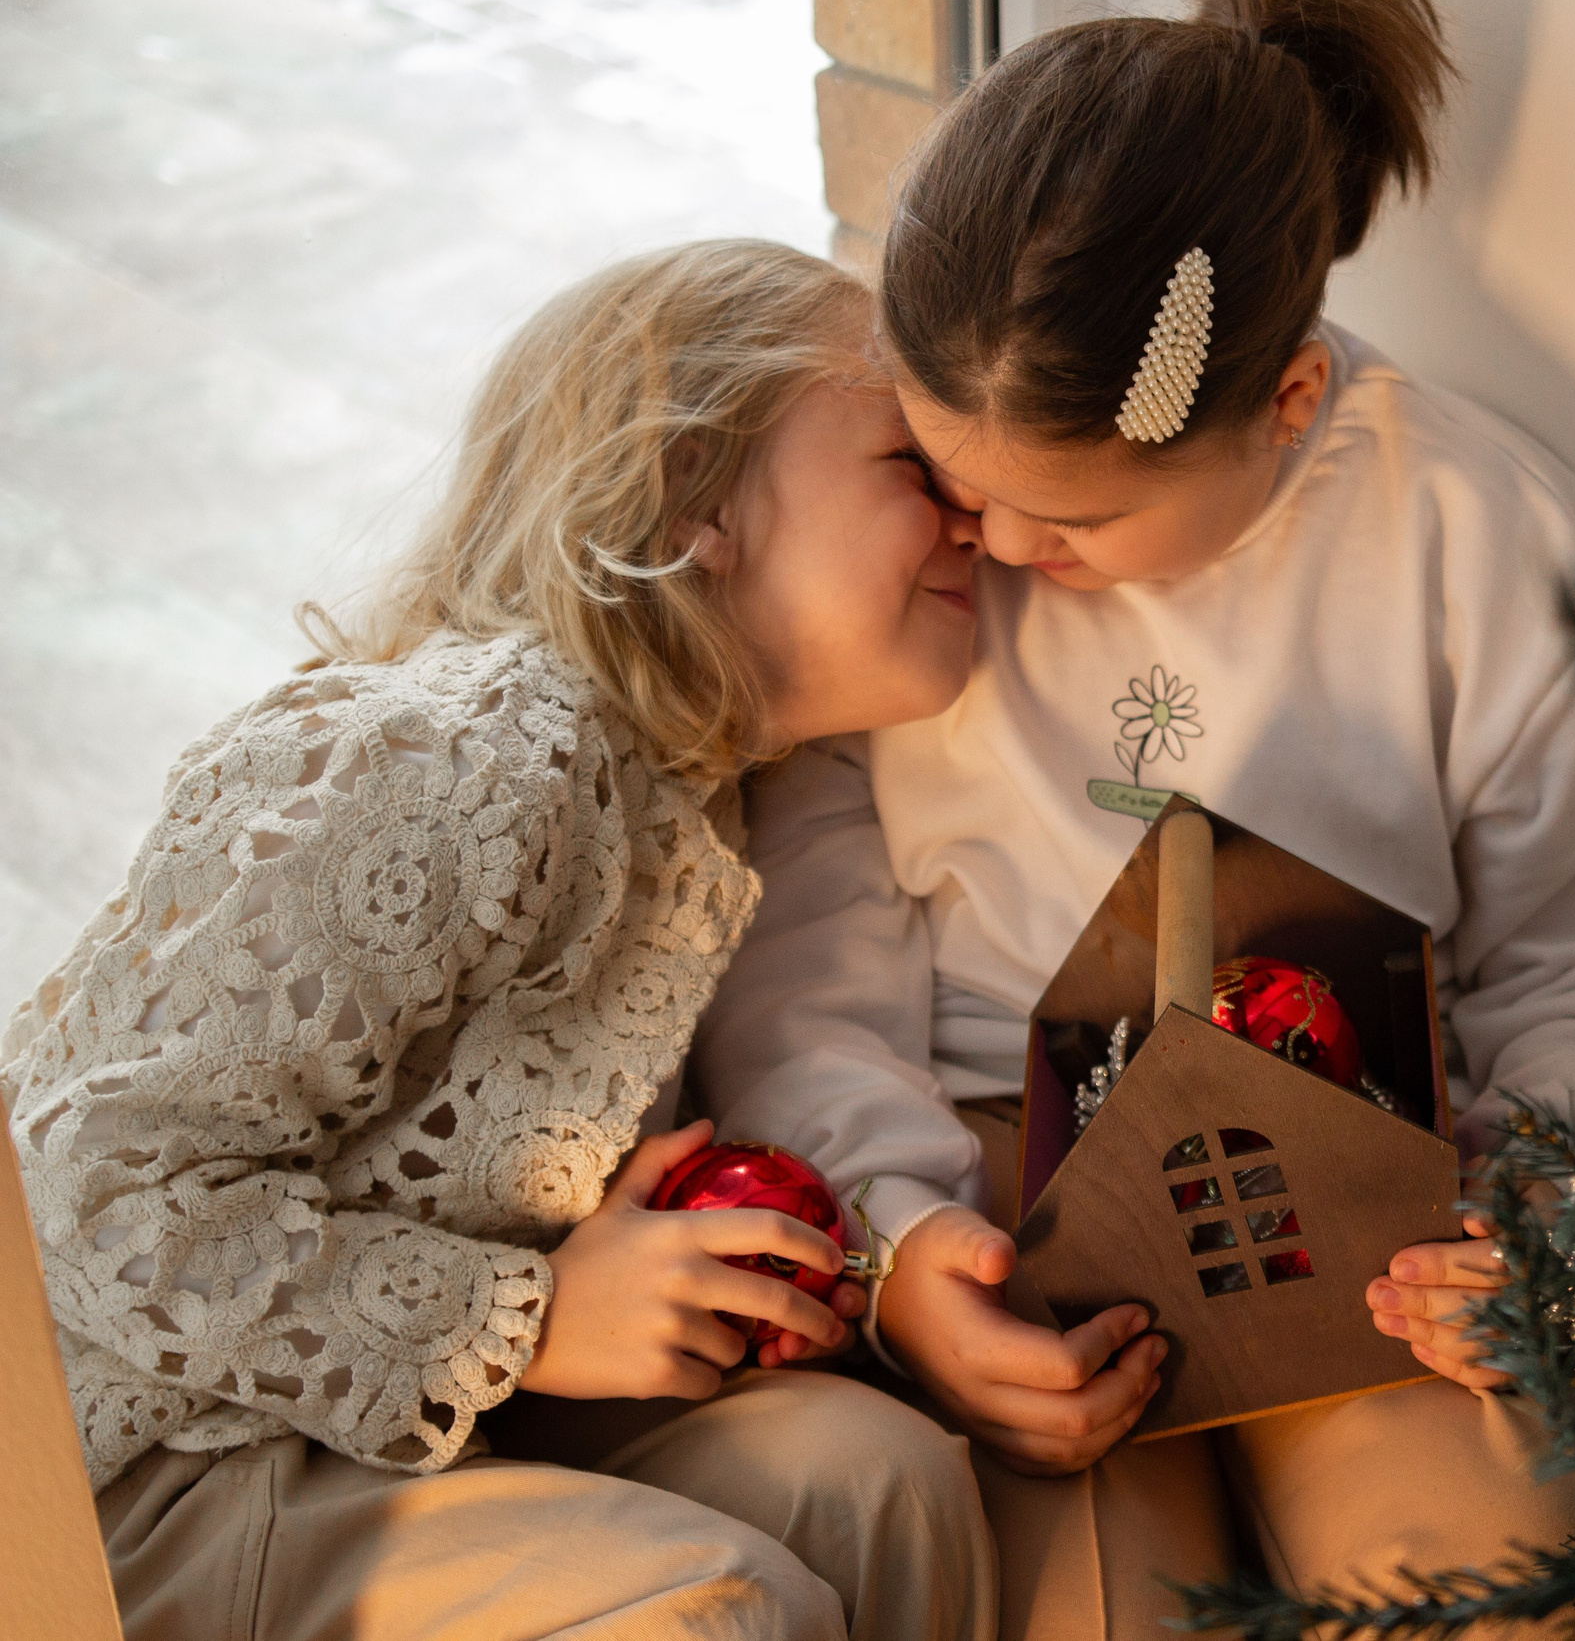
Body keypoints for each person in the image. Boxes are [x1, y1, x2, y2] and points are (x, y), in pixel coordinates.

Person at [691, 0, 1575, 1633]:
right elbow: (803, 959)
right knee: (1099, 1607)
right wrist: (906, 1256)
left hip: (1370, 1192)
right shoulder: (905, 560)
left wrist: (1540, 1200)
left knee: (1495, 1591)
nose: (984, 544)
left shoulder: (1470, 532)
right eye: (948, 476)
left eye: (1070, 521)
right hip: (991, 1184)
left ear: (1284, 405)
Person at [3, 240, 998, 1641]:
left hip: (413, 1429)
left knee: (875, 1482)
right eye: (909, 462)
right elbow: (80, 1192)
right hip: (157, 1470)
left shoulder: (704, 805)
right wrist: (520, 1318)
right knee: (722, 1611)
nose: (975, 514)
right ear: (693, 499)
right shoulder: (460, 761)